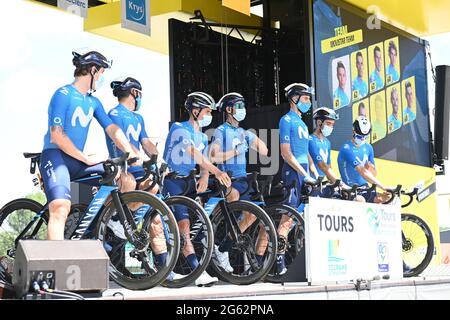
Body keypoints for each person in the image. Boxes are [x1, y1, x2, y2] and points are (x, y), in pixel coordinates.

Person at [40, 50, 141, 241]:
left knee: (121, 177)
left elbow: (112, 129)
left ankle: (101, 226)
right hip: (56, 156)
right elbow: (57, 135)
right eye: (102, 73)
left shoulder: (93, 102)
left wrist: (130, 152)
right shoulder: (63, 94)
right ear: (93, 70)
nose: (102, 77)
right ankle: (56, 265)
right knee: (60, 207)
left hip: (77, 160)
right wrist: (85, 158)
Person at [162, 91, 231, 286]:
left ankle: (192, 254)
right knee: (183, 226)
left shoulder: (201, 135)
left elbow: (204, 160)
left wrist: (206, 174)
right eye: (207, 111)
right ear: (195, 111)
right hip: (172, 181)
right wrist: (217, 171)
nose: (209, 115)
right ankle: (196, 271)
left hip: (189, 183)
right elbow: (193, 153)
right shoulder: (179, 128)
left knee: (198, 224)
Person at [104, 76, 169, 277]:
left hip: (137, 165)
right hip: (121, 166)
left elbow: (146, 142)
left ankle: (165, 271)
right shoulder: (114, 113)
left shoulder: (138, 118)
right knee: (137, 183)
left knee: (156, 214)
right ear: (134, 93)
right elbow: (123, 141)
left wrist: (158, 160)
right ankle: (116, 222)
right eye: (140, 94)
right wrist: (139, 157)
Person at [209, 92, 269, 273]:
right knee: (233, 196)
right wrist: (235, 152)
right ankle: (212, 230)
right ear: (229, 109)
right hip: (227, 179)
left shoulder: (243, 132)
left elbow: (265, 150)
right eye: (239, 106)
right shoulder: (221, 130)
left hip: (243, 179)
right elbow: (213, 156)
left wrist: (253, 141)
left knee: (251, 215)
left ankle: (223, 248)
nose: (243, 110)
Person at [278, 83, 318, 274]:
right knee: (287, 219)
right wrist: (304, 174)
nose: (308, 102)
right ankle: (279, 263)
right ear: (294, 99)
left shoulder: (302, 122)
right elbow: (286, 153)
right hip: (293, 172)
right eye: (305, 98)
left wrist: (314, 173)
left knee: (300, 218)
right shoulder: (286, 120)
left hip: (304, 172)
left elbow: (306, 154)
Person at [337, 116, 389, 203]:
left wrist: (370, 168)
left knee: (388, 199)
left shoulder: (368, 147)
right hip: (349, 189)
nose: (362, 139)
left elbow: (373, 174)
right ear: (353, 131)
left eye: (365, 137)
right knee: (361, 201)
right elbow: (362, 171)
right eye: (360, 136)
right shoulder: (346, 148)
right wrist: (382, 186)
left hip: (364, 188)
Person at [308, 107, 348, 196]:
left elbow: (329, 167)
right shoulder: (310, 140)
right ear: (319, 122)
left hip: (323, 184)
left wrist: (335, 184)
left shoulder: (327, 142)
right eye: (328, 123)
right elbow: (322, 166)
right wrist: (341, 184)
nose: (331, 127)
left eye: (332, 124)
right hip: (313, 184)